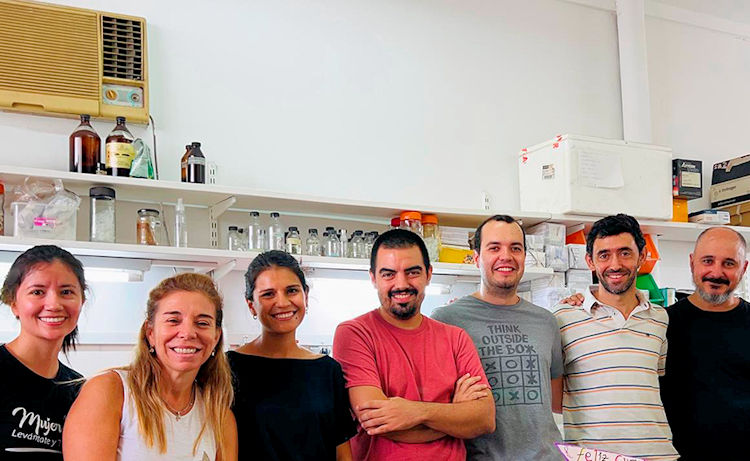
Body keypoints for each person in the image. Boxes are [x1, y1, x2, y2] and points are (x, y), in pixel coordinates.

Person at [333, 229, 496, 461]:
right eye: (388, 274)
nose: (401, 284)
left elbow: (484, 419)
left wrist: (416, 412)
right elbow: (376, 420)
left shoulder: (456, 338)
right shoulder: (354, 333)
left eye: (412, 272)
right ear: (373, 278)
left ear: (428, 274)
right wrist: (454, 413)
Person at [62, 273, 237, 460]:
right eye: (173, 321)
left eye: (202, 323)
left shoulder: (219, 416)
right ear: (150, 333)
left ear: (216, 337)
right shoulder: (110, 391)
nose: (187, 333)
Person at [432, 215, 564, 460]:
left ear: (524, 256)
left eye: (516, 248)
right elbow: (433, 402)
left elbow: (556, 400)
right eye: (494, 248)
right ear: (476, 258)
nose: (506, 256)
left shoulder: (546, 321)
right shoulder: (446, 320)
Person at [552, 214, 678, 460]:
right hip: (593, 455)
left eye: (625, 253)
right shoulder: (563, 317)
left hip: (657, 454)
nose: (615, 264)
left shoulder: (659, 318)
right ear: (590, 261)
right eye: (604, 255)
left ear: (642, 256)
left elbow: (651, 385)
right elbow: (555, 401)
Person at [227, 250, 356, 460]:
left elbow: (342, 454)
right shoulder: (228, 367)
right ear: (251, 305)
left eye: (292, 291)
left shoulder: (327, 370)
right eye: (268, 294)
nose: (282, 302)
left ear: (305, 296)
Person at [659, 226, 750, 459]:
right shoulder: (661, 324)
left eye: (729, 263)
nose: (716, 272)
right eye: (708, 261)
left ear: (744, 268)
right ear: (692, 263)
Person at [0, 245, 86, 460]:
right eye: (37, 292)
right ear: (13, 303)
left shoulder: (79, 391)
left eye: (66, 292)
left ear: (82, 301)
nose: (54, 304)